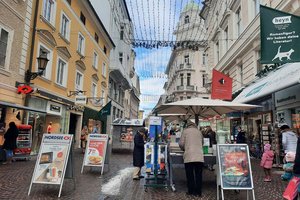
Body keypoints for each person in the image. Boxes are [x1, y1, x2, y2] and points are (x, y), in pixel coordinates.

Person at [179, 120, 204, 197]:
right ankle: (198, 192)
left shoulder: (185, 131)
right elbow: (202, 142)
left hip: (189, 155)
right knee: (198, 175)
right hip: (199, 156)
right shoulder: (199, 132)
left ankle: (191, 191)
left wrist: (184, 148)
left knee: (190, 175)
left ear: (188, 125)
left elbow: (181, 143)